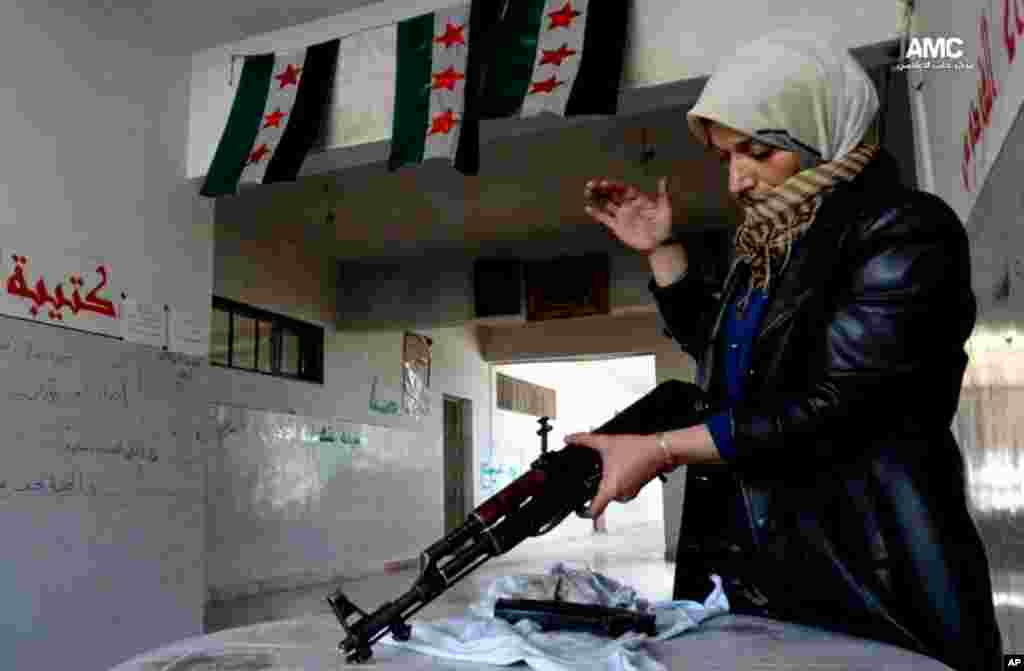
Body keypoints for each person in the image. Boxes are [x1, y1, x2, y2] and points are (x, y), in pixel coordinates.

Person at [566, 32, 1002, 671]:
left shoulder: (903, 229)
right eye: (727, 158)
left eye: (760, 153)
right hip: (761, 567)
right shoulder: (771, 248)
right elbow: (729, 366)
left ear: (818, 130)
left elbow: (844, 404)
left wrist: (663, 447)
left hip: (867, 571)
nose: (739, 179)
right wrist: (661, 250)